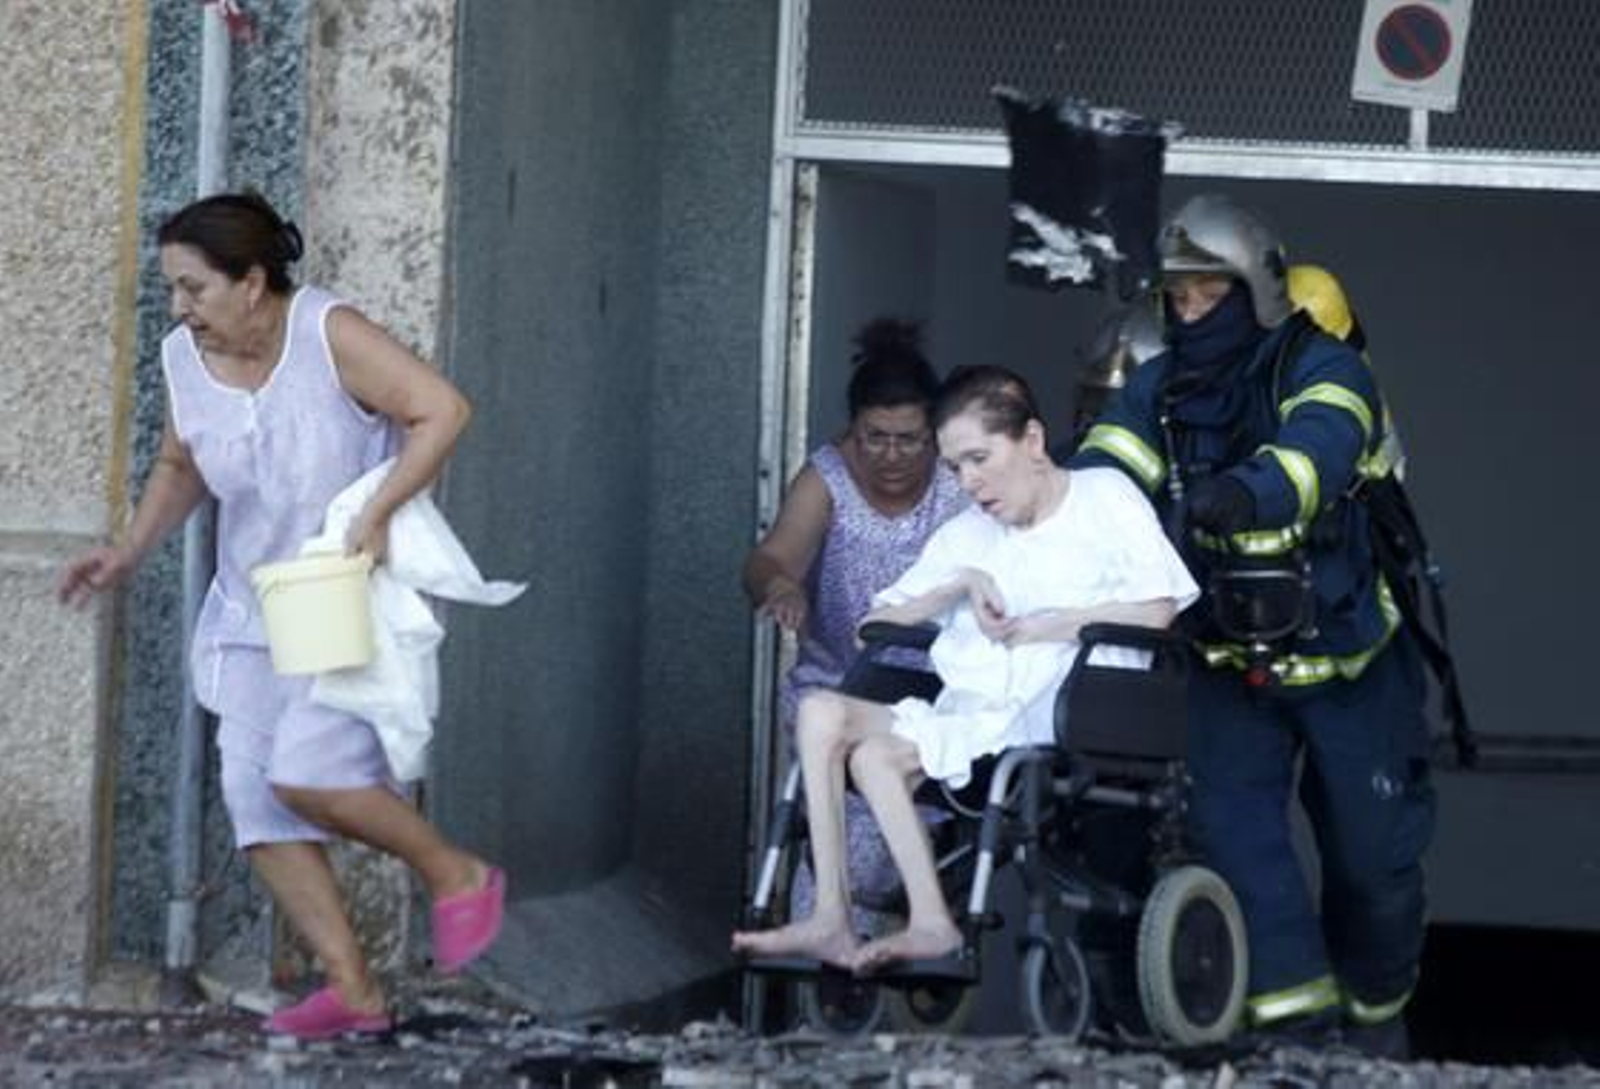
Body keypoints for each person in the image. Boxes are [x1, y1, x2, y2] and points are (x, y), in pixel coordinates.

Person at [58, 192, 504, 1040]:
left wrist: (379, 511)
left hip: (341, 595)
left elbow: (442, 409)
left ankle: (457, 872)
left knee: (308, 774)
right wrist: (129, 550)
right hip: (253, 606)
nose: (180, 308)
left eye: (195, 288)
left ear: (253, 282)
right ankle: (354, 990)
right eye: (172, 289)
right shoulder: (186, 359)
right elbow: (181, 462)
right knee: (253, 794)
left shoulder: (327, 333)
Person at [1074, 193, 1436, 1058]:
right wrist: (1054, 507)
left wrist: (1247, 492)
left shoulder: (1326, 368)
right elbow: (1106, 466)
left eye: (1211, 295)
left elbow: (1320, 447)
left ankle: (1378, 1017)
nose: (1193, 312)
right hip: (1224, 663)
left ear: (1259, 293)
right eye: (1180, 298)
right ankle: (1299, 1034)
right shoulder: (1163, 385)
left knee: (1373, 864)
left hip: (1348, 662)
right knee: (1237, 844)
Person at [733, 366, 1196, 972]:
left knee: (875, 757)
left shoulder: (1104, 495)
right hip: (972, 716)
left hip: (1069, 710)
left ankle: (924, 924)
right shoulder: (968, 533)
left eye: (979, 459)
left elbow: (1158, 610)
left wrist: (1047, 626)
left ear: (1032, 440)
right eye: (954, 468)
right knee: (823, 714)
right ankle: (841, 918)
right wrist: (958, 584)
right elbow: (874, 625)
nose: (968, 481)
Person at [742, 318, 967, 933]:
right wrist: (781, 586)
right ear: (853, 430)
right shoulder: (827, 478)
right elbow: (771, 557)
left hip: (932, 699)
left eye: (909, 440)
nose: (891, 455)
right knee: (847, 828)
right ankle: (828, 941)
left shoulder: (958, 486)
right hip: (836, 686)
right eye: (876, 438)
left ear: (935, 434)